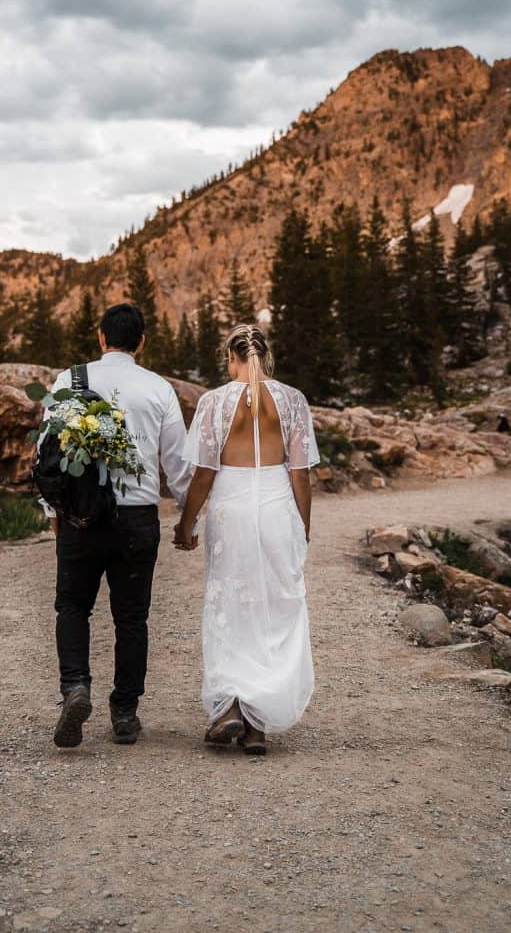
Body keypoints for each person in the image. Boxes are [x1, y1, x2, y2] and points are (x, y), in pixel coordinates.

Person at [37, 303, 192, 748]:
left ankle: (76, 687)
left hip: (79, 517)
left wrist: (52, 512)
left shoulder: (69, 381)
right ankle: (124, 712)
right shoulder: (159, 388)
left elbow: (47, 455)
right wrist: (187, 518)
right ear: (141, 342)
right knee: (131, 619)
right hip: (137, 519)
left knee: (72, 607)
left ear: (101, 338)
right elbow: (176, 464)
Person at [174, 323, 319, 755]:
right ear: (266, 356)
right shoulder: (293, 401)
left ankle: (231, 709)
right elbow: (301, 475)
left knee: (229, 606)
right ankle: (257, 725)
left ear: (230, 358)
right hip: (277, 505)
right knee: (272, 608)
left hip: (230, 508)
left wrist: (186, 523)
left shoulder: (214, 403)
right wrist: (303, 529)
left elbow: (203, 473)